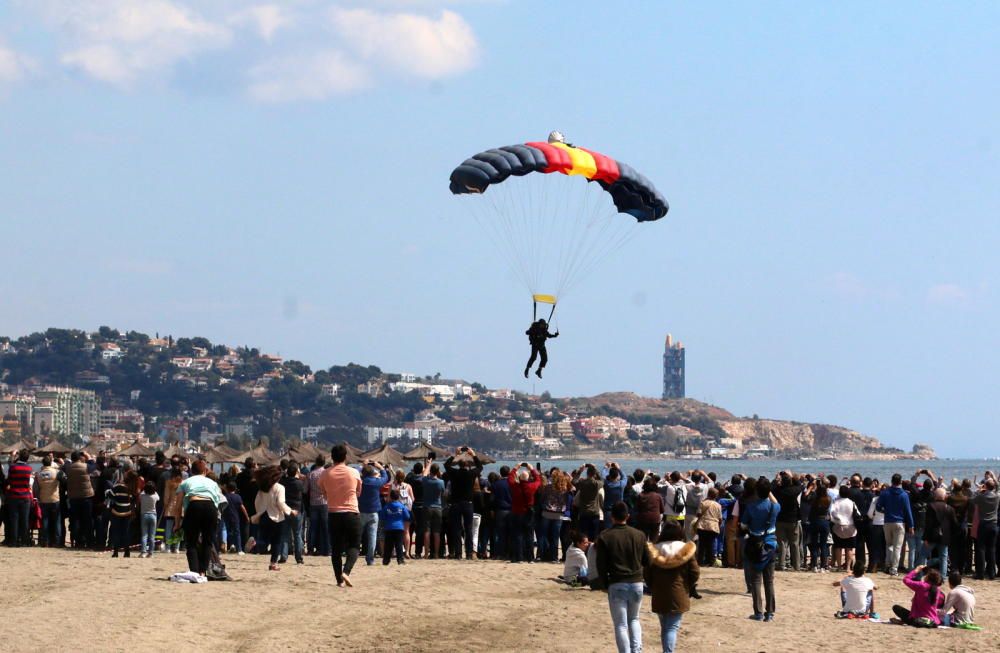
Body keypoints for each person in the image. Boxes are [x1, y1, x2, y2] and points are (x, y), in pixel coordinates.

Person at [595, 501, 649, 653]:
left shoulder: (605, 536)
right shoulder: (639, 535)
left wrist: (604, 583)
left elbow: (601, 564)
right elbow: (647, 560)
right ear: (628, 516)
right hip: (637, 581)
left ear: (612, 517)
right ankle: (636, 650)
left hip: (617, 582)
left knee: (621, 624)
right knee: (634, 619)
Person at [644, 520, 699, 653]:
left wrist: (653, 586)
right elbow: (695, 572)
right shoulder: (686, 550)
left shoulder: (655, 549)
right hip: (679, 593)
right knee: (672, 627)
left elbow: (647, 573)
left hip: (659, 593)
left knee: (665, 627)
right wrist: (688, 586)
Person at [319, 444, 363, 587]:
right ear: (345, 457)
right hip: (351, 512)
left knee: (336, 549)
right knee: (355, 545)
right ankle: (346, 571)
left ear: (332, 457)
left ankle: (339, 580)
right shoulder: (354, 472)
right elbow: (358, 492)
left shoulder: (325, 473)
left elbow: (323, 493)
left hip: (333, 513)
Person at [176, 459, 224, 577]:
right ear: (205, 471)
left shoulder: (185, 482)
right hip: (210, 508)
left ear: (192, 471)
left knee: (191, 542)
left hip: (194, 506)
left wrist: (177, 524)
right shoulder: (213, 483)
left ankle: (194, 571)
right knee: (207, 542)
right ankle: (203, 572)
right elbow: (217, 502)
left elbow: (178, 506)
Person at [742, 477, 780, 622]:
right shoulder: (774, 507)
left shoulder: (751, 506)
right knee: (769, 581)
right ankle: (769, 613)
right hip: (770, 544)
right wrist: (768, 491)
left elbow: (744, 525)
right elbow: (776, 502)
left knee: (756, 581)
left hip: (755, 544)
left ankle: (758, 612)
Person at [250, 465, 295, 571]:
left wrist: (259, 512)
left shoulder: (263, 488)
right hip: (276, 516)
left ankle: (255, 543)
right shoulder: (280, 488)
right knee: (276, 541)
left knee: (265, 540)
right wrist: (290, 511)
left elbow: (257, 501)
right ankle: (273, 563)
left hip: (264, 515)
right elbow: (280, 502)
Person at [444, 448, 483, 560]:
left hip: (456, 503)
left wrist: (454, 455)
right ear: (467, 466)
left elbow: (446, 465)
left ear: (459, 465)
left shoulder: (454, 473)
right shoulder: (471, 474)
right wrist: (474, 455)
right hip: (468, 504)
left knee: (456, 529)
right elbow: (480, 467)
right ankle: (469, 553)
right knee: (468, 529)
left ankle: (458, 553)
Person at [876, 473, 914, 576]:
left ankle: (888, 565)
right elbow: (908, 511)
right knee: (897, 546)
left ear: (892, 481)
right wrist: (911, 525)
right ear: (900, 482)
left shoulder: (885, 493)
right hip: (899, 522)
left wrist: (886, 511)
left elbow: (878, 507)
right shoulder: (904, 494)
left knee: (889, 544)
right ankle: (894, 568)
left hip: (888, 521)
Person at [509, 463, 541, 563]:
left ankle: (519, 557)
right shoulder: (531, 487)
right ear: (527, 478)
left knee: (518, 535)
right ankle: (530, 558)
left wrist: (515, 467)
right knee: (529, 536)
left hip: (517, 513)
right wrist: (532, 469)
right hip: (528, 513)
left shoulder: (515, 486)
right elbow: (538, 480)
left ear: (519, 477)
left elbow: (509, 478)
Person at [359, 461, 390, 565]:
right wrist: (380, 467)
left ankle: (352, 555)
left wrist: (364, 466)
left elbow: (356, 475)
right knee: (372, 536)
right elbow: (386, 477)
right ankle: (370, 559)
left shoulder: (360, 481)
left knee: (357, 535)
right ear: (372, 473)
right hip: (373, 511)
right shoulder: (375, 482)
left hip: (361, 511)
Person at [923, 487, 957, 577]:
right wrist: (951, 535)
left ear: (935, 496)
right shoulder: (949, 508)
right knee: (944, 557)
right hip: (945, 537)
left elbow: (928, 524)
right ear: (944, 496)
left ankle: (919, 574)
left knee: (922, 555)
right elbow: (954, 524)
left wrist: (925, 537)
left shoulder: (930, 506)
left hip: (932, 536)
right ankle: (943, 577)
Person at [4, 449, 33, 547]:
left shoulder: (13, 468)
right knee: (24, 520)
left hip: (14, 496)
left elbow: (9, 480)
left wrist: (12, 457)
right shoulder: (29, 469)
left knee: (14, 520)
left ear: (19, 456)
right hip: (25, 497)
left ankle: (14, 541)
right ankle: (24, 541)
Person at [971, 478, 998, 580]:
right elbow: (998, 487)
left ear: (985, 486)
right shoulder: (997, 496)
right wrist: (994, 478)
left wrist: (979, 490)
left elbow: (972, 500)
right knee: (992, 549)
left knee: (981, 549)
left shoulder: (981, 497)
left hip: (983, 524)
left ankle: (980, 573)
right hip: (993, 525)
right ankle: (992, 573)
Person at [774, 472, 802, 572]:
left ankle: (781, 564)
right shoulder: (793, 491)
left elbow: (771, 487)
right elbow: (800, 486)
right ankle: (796, 566)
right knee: (794, 544)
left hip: (780, 519)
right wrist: (793, 477)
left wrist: (776, 478)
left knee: (781, 543)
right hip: (792, 520)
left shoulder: (777, 490)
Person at [34, 454, 64, 547]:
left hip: (43, 499)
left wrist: (38, 497)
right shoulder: (57, 472)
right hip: (55, 498)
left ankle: (45, 541)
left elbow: (36, 488)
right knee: (57, 521)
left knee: (45, 521)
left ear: (43, 463)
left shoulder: (38, 474)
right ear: (51, 463)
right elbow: (64, 482)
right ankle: (57, 541)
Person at [830, 485, 860, 572]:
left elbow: (832, 514)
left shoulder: (835, 502)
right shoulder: (852, 502)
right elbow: (858, 514)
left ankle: (839, 567)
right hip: (850, 526)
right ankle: (848, 567)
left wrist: (836, 520)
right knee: (849, 548)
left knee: (838, 547)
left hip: (838, 526)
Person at [306, 455, 331, 556]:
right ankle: (327, 549)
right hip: (325, 502)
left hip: (313, 503)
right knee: (325, 527)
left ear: (315, 462)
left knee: (313, 527)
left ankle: (311, 548)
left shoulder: (311, 474)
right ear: (324, 462)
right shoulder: (327, 474)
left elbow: (305, 489)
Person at [280, 463, 305, 564]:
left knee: (285, 534)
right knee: (297, 534)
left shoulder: (283, 482)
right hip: (297, 510)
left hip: (286, 509)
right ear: (296, 472)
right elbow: (303, 493)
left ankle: (283, 556)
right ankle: (299, 557)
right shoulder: (299, 483)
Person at [380, 489, 411, 565]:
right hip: (399, 528)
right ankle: (400, 560)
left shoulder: (387, 507)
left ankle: (386, 561)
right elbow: (407, 516)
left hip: (389, 528)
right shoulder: (401, 506)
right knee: (399, 545)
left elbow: (382, 517)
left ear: (390, 497)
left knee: (388, 546)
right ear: (398, 497)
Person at [422, 464, 445, 559]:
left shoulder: (426, 481)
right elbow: (443, 493)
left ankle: (427, 553)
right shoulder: (441, 482)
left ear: (430, 471)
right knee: (436, 532)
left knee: (427, 531)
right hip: (437, 507)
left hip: (427, 506)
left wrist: (429, 464)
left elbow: (424, 474)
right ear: (438, 471)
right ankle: (436, 553)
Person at [109, 473, 134, 558]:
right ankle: (127, 552)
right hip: (127, 512)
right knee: (126, 532)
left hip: (116, 511)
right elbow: (132, 499)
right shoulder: (130, 488)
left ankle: (115, 552)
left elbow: (110, 495)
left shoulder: (116, 487)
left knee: (116, 532)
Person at [635, 477, 664, 542]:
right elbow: (662, 510)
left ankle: (643, 551)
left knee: (643, 540)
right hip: (655, 520)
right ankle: (652, 551)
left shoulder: (640, 495)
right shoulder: (658, 496)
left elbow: (636, 508)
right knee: (654, 540)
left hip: (642, 519)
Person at [222, 481, 248, 554]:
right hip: (235, 516)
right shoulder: (238, 497)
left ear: (227, 488)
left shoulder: (225, 496)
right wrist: (247, 516)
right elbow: (242, 507)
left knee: (228, 531)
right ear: (235, 488)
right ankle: (239, 549)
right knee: (237, 532)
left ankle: (231, 545)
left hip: (226, 516)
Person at [138, 482, 159, 558]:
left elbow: (140, 495)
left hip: (144, 515)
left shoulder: (142, 495)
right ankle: (151, 553)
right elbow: (158, 497)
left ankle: (143, 552)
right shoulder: (155, 496)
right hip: (153, 515)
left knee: (144, 535)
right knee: (152, 536)